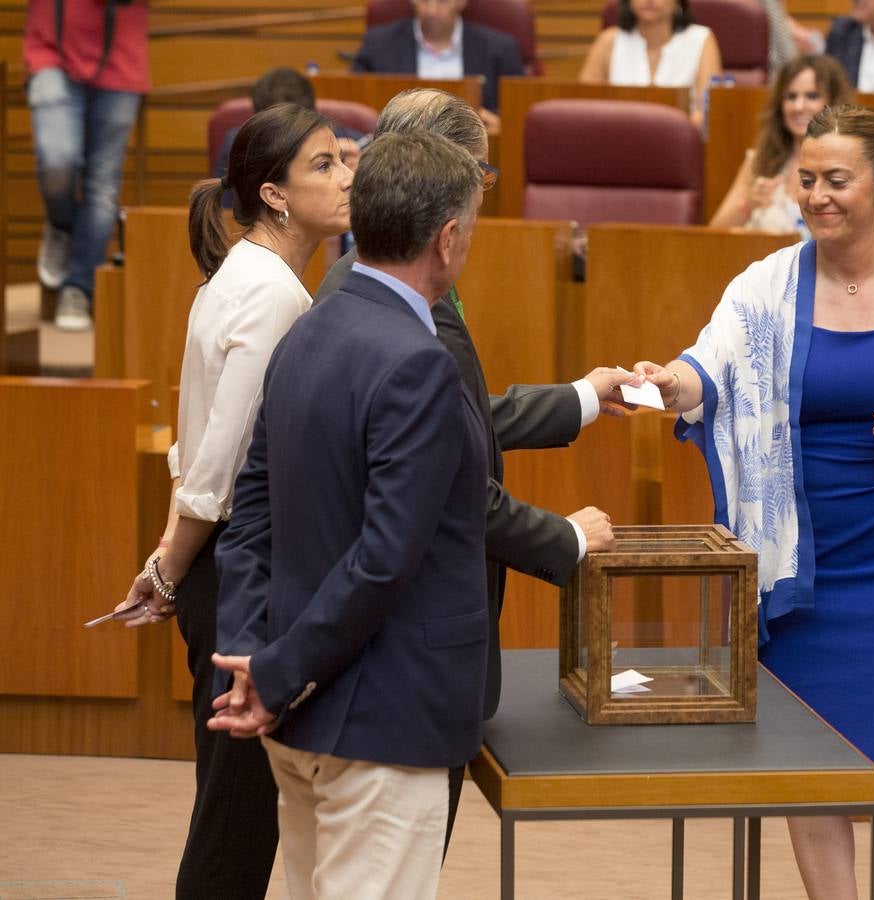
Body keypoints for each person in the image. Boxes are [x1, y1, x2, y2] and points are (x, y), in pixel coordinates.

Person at [635, 104, 874, 898]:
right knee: (811, 764)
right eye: (806, 179)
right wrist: (672, 382)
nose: (816, 195)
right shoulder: (764, 284)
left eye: (836, 180)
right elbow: (710, 367)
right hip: (796, 561)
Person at [316, 87, 637, 851]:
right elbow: (455, 490)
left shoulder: (349, 289)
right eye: (483, 175)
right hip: (409, 665)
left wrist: (578, 399)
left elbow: (436, 430)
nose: (486, 195)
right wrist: (568, 537)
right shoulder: (411, 313)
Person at [208, 129, 489, 899]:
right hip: (383, 725)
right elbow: (384, 559)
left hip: (298, 714)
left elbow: (249, 513)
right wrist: (271, 673)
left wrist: (249, 661)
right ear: (449, 237)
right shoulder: (418, 363)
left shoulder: (307, 329)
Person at [114, 104, 353, 900]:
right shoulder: (274, 294)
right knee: (234, 820)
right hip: (241, 582)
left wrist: (169, 559)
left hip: (222, 572)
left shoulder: (245, 274)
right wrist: (168, 568)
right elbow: (222, 462)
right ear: (274, 195)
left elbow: (200, 449)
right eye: (323, 164)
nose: (346, 177)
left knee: (233, 810)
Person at [24, 0, 149, 332]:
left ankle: (79, 287)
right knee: (57, 160)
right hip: (51, 53)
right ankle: (61, 227)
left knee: (102, 186)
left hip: (120, 61)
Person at [709, 55, 853, 235]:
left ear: (833, 102)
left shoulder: (854, 162)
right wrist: (749, 204)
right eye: (791, 97)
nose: (798, 106)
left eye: (811, 96)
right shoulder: (759, 161)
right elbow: (715, 233)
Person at [352, 0, 523, 132]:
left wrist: (500, 123)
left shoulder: (500, 49)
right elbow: (356, 104)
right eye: (424, 0)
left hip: (471, 148)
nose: (432, 11)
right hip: (401, 147)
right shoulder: (378, 45)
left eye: (442, 0)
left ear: (461, 2)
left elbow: (518, 110)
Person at [213, 67, 366, 208]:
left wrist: (363, 181)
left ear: (314, 114)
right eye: (323, 165)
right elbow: (226, 214)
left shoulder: (356, 147)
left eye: (324, 165)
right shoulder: (240, 145)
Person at [579, 0, 722, 127]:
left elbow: (709, 112)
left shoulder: (701, 39)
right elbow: (584, 107)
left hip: (678, 144)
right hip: (617, 139)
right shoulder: (608, 41)